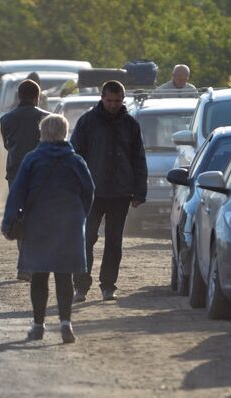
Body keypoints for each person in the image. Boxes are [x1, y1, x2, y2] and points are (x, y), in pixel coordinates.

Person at [2, 114, 94, 343]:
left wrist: (8, 221)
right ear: (65, 132)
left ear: (42, 133)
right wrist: (80, 214)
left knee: (39, 276)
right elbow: (89, 191)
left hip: (38, 223)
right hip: (69, 224)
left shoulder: (32, 159)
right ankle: (65, 324)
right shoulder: (76, 161)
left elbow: (17, 192)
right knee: (64, 276)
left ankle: (38, 326)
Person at [70, 80, 147, 302]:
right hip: (92, 192)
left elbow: (138, 159)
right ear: (102, 98)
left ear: (123, 100)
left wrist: (139, 192)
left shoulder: (131, 125)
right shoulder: (87, 122)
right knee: (87, 238)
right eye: (109, 100)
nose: (113, 105)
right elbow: (75, 156)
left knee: (114, 241)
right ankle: (81, 287)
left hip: (120, 193)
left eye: (117, 101)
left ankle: (108, 286)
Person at [0, 79, 51, 187]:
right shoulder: (47, 118)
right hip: (41, 170)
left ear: (18, 96)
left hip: (15, 170)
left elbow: (7, 145)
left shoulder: (5, 119)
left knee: (17, 202)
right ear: (37, 97)